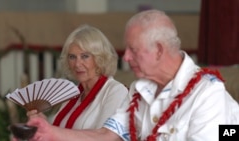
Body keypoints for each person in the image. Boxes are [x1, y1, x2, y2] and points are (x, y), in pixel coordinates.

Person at [26, 9, 239, 141]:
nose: (125, 57)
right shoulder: (138, 91)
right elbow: (107, 135)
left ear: (158, 50)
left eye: (133, 49)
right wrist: (51, 132)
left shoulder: (208, 94)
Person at [25, 24, 129, 130]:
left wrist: (51, 130)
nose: (77, 64)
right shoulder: (73, 95)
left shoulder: (115, 91)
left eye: (85, 56)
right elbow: (62, 132)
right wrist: (44, 124)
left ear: (100, 58)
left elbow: (105, 136)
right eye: (72, 57)